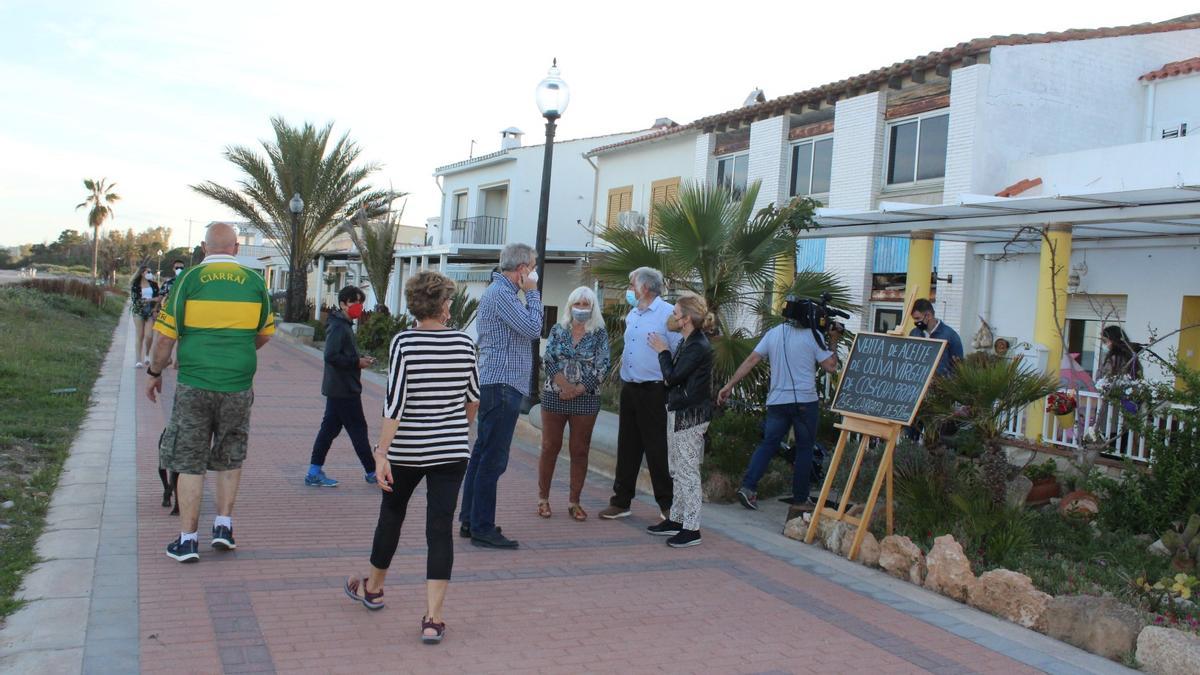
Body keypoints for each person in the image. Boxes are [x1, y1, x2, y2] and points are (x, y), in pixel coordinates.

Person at [344, 271, 479, 645]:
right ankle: (433, 618)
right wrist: (454, 428)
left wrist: (381, 452)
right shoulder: (465, 344)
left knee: (391, 515)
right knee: (440, 530)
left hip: (406, 450)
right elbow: (473, 399)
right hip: (451, 452)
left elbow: (396, 403)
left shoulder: (405, 342)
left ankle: (374, 588)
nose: (451, 305)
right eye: (449, 300)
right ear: (442, 304)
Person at [146, 222, 274, 563]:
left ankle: (188, 540)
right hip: (238, 384)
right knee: (230, 456)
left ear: (205, 249)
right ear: (235, 249)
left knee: (189, 460)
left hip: (194, 384)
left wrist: (154, 372)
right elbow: (264, 334)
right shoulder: (255, 282)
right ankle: (223, 527)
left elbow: (164, 339)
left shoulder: (188, 280)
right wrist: (237, 352)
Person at [459, 243, 542, 549]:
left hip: (500, 385)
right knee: (493, 458)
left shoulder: (502, 293)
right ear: (521, 269)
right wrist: (533, 293)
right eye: (531, 267)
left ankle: (471, 520)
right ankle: (481, 526)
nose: (533, 273)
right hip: (502, 385)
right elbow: (533, 328)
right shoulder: (503, 294)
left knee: (482, 455)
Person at [719, 317, 839, 517]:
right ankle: (800, 498)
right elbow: (831, 366)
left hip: (777, 401)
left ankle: (748, 487)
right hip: (804, 402)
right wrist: (833, 339)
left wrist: (729, 385)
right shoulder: (813, 335)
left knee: (768, 444)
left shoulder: (773, 333)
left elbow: (751, 360)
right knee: (804, 449)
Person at [599, 267, 681, 520]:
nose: (630, 289)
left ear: (645, 287)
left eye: (632, 284)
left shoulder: (668, 313)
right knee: (627, 446)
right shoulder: (633, 314)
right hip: (630, 388)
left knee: (657, 449)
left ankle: (668, 505)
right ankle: (621, 500)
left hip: (654, 389)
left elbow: (678, 350)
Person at [536, 286, 609, 521]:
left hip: (586, 399)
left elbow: (603, 365)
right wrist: (565, 386)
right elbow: (548, 359)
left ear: (593, 308)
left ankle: (574, 502)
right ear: (570, 306)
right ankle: (543, 499)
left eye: (586, 305)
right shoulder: (558, 329)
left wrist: (578, 389)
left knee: (579, 450)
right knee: (549, 447)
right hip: (555, 395)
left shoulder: (599, 333)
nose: (581, 309)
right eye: (577, 304)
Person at [647, 292, 714, 548]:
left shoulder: (697, 345)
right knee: (677, 468)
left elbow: (672, 377)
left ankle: (692, 527)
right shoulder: (691, 341)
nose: (672, 318)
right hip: (681, 411)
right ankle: (676, 519)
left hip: (690, 415)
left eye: (675, 313)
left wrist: (662, 351)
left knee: (687, 472)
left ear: (686, 319)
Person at [305, 285, 378, 487]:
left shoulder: (343, 324)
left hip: (340, 388)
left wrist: (359, 358)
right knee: (358, 430)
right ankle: (372, 471)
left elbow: (342, 354)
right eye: (355, 302)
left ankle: (314, 471)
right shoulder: (339, 326)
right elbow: (330, 356)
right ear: (343, 304)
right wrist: (356, 363)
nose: (359, 307)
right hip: (343, 389)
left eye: (361, 303)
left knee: (328, 430)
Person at [909, 298, 963, 377]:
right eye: (914, 319)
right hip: (917, 383)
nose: (916, 322)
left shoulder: (950, 335)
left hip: (940, 386)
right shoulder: (914, 333)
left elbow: (958, 366)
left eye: (917, 318)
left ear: (929, 316)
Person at [131, 265, 160, 368]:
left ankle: (147, 354)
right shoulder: (135, 284)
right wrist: (145, 302)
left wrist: (152, 304)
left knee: (149, 335)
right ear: (142, 273)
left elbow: (158, 298)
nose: (150, 273)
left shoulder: (154, 284)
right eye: (148, 272)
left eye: (150, 271)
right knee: (140, 335)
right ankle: (138, 360)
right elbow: (135, 299)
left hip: (150, 311)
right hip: (138, 311)